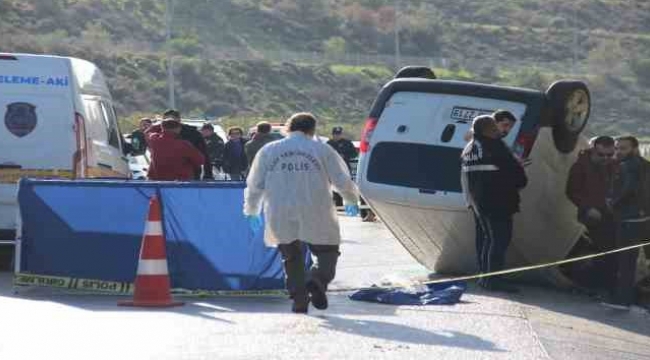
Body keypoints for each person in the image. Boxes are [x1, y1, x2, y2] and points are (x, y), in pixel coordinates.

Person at [244, 113, 360, 313]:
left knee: (291, 256)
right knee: (327, 251)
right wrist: (351, 199)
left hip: (281, 209)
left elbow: (255, 184)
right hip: (316, 208)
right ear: (312, 129)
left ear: (288, 127)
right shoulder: (322, 150)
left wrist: (251, 209)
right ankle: (317, 278)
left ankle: (299, 299)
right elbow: (341, 179)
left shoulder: (269, 150)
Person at [461, 115, 528, 293]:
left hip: (479, 201)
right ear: (488, 130)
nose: (498, 130)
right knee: (499, 240)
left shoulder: (470, 148)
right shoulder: (494, 146)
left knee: (488, 239)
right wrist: (520, 174)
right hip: (498, 200)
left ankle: (485, 276)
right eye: (494, 127)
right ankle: (494, 280)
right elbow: (514, 172)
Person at [566, 135, 618, 290]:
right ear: (594, 150)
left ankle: (603, 285)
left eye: (609, 155)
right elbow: (571, 191)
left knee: (612, 250)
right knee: (603, 250)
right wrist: (587, 207)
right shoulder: (580, 166)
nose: (605, 158)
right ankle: (594, 285)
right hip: (591, 216)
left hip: (611, 215)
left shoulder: (613, 165)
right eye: (601, 155)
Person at [602, 136, 648, 310]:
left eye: (623, 148)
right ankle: (627, 298)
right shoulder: (645, 165)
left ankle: (622, 300)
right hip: (642, 219)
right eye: (617, 148)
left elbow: (628, 190)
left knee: (625, 262)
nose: (619, 151)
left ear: (634, 148)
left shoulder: (627, 166)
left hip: (628, 219)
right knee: (631, 260)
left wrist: (612, 202)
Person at [163, 109, 210, 180]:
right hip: (167, 173)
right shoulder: (159, 134)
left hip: (190, 172)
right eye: (165, 120)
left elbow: (204, 154)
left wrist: (208, 174)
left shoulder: (193, 133)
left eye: (170, 120)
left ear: (178, 119)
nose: (168, 123)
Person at [327, 127, 357, 208]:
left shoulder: (347, 143)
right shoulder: (328, 144)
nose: (337, 136)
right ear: (332, 134)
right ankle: (337, 205)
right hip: (332, 169)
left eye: (339, 134)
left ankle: (349, 204)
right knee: (332, 186)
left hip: (344, 169)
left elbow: (354, 154)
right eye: (335, 134)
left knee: (345, 186)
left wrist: (345, 155)